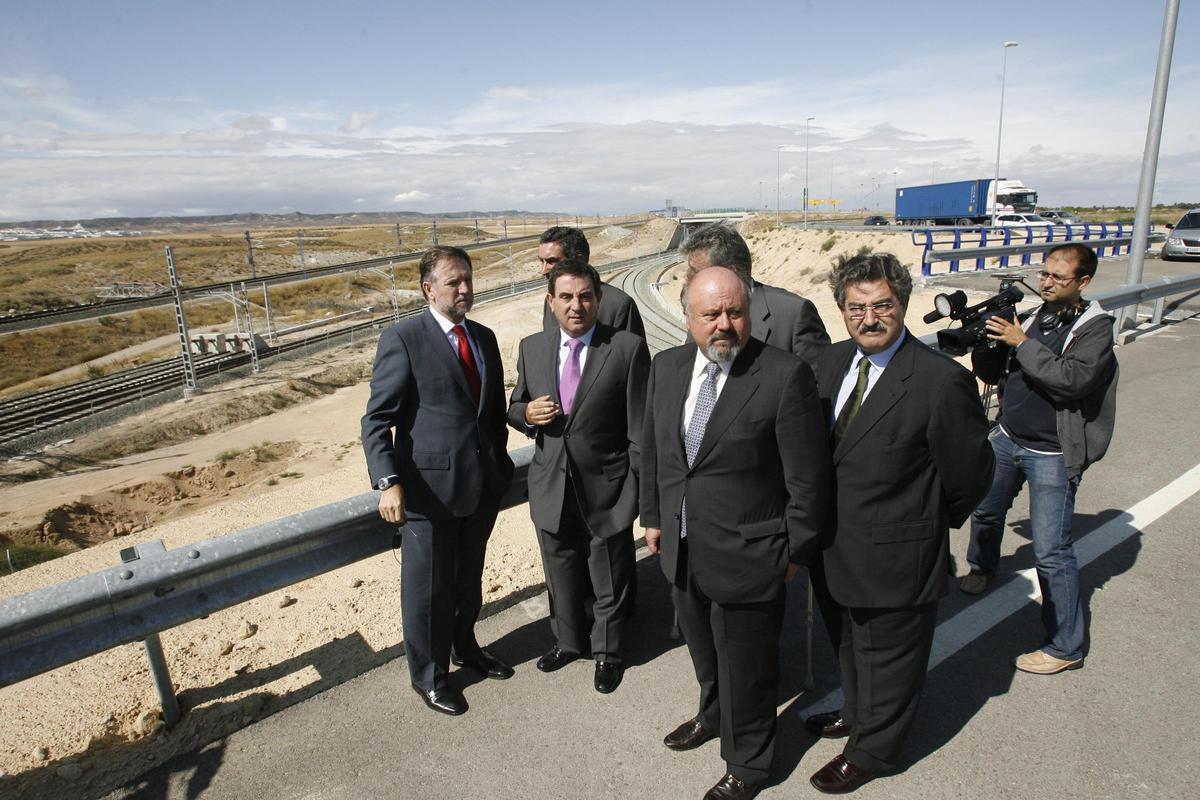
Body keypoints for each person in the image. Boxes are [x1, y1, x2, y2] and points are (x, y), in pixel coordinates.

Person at [806, 252, 994, 793]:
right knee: (848, 644)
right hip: (834, 547)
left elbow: (969, 473)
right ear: (841, 309)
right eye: (856, 307)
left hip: (898, 552)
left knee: (890, 660)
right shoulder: (829, 363)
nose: (869, 317)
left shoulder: (939, 381)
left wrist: (923, 524)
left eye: (882, 305)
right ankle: (857, 714)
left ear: (904, 305)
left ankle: (875, 751)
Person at [641, 266, 830, 800]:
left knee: (748, 667)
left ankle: (749, 762)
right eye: (711, 314)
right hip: (681, 547)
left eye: (735, 312)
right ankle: (713, 715)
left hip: (752, 552)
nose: (724, 324)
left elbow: (807, 476)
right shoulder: (667, 367)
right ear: (687, 318)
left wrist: (796, 548)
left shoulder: (783, 374)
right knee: (705, 653)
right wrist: (653, 516)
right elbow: (656, 451)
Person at [361, 245, 515, 717]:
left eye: (468, 279)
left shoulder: (484, 337)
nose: (465, 288)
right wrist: (387, 481)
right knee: (428, 592)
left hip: (480, 486)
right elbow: (376, 420)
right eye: (454, 282)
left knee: (468, 582)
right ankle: (429, 677)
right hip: (428, 494)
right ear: (429, 289)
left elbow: (487, 412)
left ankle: (465, 648)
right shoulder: (404, 338)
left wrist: (499, 463)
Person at [962, 242, 1118, 676]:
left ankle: (1066, 646)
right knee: (986, 510)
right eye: (1044, 273)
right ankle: (982, 567)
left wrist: (1020, 341)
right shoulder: (1033, 315)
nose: (1047, 282)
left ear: (1083, 282)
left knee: (1052, 552)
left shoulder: (1094, 327)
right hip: (1008, 437)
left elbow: (1071, 380)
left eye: (1058, 277)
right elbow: (994, 374)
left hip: (1052, 451)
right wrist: (987, 340)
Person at [508, 259, 650, 694]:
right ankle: (568, 641)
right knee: (561, 571)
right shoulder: (532, 347)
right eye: (566, 297)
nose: (576, 306)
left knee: (609, 572)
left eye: (585, 296)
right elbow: (515, 406)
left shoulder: (625, 349)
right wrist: (527, 415)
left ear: (598, 299)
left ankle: (608, 653)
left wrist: (639, 494)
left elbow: (640, 428)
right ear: (550, 302)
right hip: (551, 485)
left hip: (607, 488)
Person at [679, 223, 830, 373]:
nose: (689, 279)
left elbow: (820, 386)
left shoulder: (793, 314)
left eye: (697, 273)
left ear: (732, 272)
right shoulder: (700, 310)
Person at [540, 226, 646, 337]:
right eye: (541, 261)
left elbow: (633, 352)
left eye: (551, 261)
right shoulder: (553, 299)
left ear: (579, 259)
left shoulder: (619, 305)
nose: (543, 270)